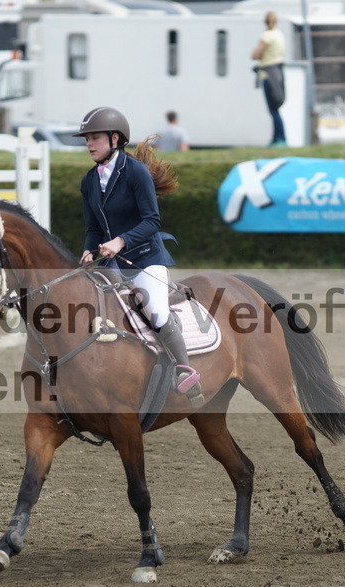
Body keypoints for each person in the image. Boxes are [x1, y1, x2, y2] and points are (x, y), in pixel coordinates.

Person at [74, 106, 203, 406]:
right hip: (109, 263)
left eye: (95, 138)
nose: (89, 144)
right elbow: (93, 227)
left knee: (155, 310)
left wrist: (119, 241)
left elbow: (152, 221)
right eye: (87, 139)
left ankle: (185, 371)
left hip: (145, 257)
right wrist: (86, 249)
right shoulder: (88, 181)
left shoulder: (135, 172)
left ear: (115, 138)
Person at [252, 11, 287, 147]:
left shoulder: (266, 36)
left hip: (268, 74)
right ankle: (277, 137)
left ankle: (279, 138)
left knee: (273, 110)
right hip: (278, 72)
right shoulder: (280, 35)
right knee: (276, 107)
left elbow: (255, 55)